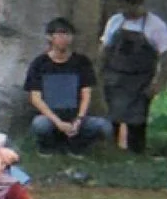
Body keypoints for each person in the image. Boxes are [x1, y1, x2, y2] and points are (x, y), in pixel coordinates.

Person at [98, 0, 167, 153]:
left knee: (137, 120)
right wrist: (99, 72)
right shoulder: (115, 21)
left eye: (126, 6)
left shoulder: (155, 25)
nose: (123, 10)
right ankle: (113, 152)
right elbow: (105, 48)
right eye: (120, 6)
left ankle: (137, 153)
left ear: (138, 3)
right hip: (114, 79)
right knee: (113, 118)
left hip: (140, 81)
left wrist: (158, 82)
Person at [23, 18, 111, 151]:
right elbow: (35, 98)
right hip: (50, 118)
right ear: (50, 37)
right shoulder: (39, 63)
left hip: (76, 117)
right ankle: (48, 147)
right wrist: (58, 122)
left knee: (103, 126)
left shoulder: (82, 62)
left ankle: (77, 145)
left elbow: (86, 94)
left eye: (67, 34)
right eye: (60, 34)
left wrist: (79, 119)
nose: (64, 38)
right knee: (40, 124)